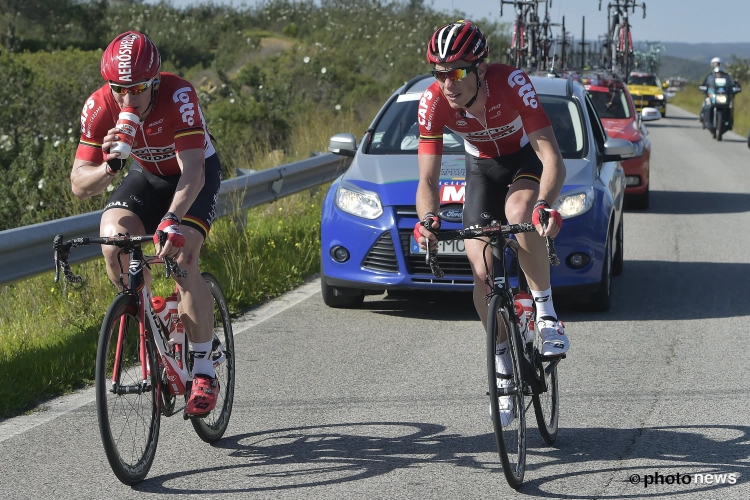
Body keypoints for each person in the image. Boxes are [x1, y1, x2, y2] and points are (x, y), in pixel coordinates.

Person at [413, 20, 569, 423]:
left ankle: (547, 313)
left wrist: (546, 205)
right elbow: (427, 180)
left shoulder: (511, 82)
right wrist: (427, 220)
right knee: (481, 275)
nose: (448, 82)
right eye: (440, 72)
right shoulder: (432, 102)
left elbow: (552, 158)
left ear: (481, 68)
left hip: (525, 160)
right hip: (482, 170)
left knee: (521, 215)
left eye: (458, 71)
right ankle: (502, 364)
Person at [71, 31, 222, 417]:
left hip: (193, 177)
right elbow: (79, 184)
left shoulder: (179, 96)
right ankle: (151, 315)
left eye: (136, 89)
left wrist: (172, 219)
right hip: (147, 176)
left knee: (183, 257)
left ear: (154, 80)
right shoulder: (100, 105)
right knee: (114, 243)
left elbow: (193, 172)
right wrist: (109, 167)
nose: (127, 99)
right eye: (118, 89)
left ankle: (203, 369)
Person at [699, 57, 740, 124]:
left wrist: (735, 88)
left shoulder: (727, 76)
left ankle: (728, 120)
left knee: (730, 106)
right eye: (714, 64)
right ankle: (702, 115)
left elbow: (731, 84)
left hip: (723, 94)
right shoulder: (710, 76)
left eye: (717, 64)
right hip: (712, 94)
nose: (716, 65)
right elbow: (705, 83)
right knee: (705, 103)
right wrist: (704, 88)